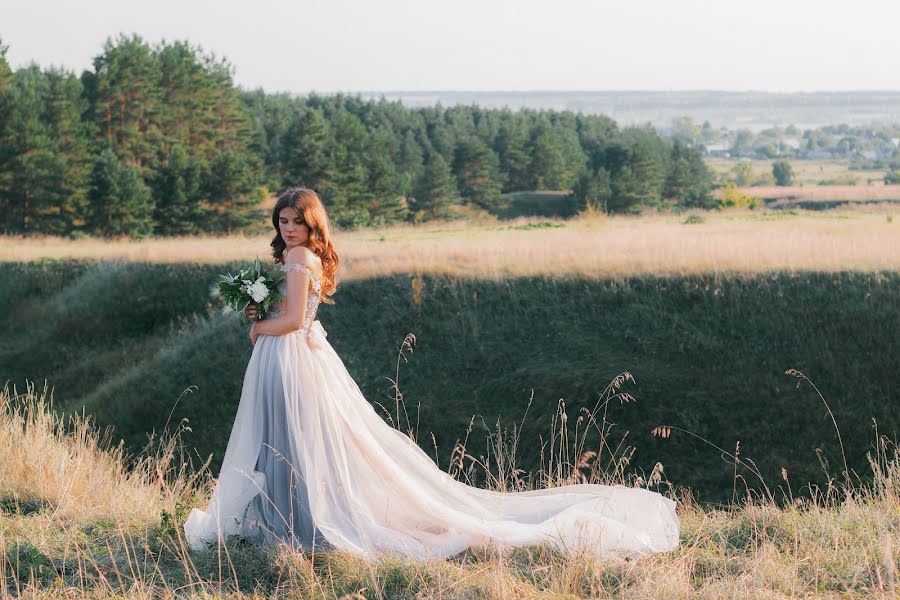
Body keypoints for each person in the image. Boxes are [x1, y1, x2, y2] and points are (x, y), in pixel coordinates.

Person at [183, 186, 680, 561]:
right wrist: (266, 316)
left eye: (296, 220)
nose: (289, 228)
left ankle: (291, 522)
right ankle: (285, 519)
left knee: (288, 438)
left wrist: (257, 327)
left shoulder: (297, 257)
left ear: (313, 224)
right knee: (294, 440)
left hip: (288, 355)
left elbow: (292, 320)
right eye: (283, 220)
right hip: (296, 357)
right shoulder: (303, 256)